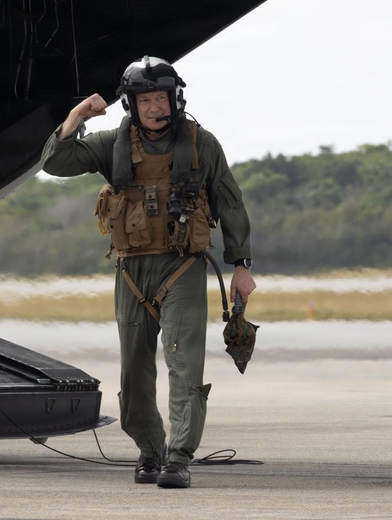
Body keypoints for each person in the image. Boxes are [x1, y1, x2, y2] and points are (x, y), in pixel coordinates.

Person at [41, 56, 256, 489]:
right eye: (145, 100)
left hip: (183, 267)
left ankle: (178, 457)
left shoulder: (202, 144)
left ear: (176, 99)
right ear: (131, 105)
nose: (155, 107)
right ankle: (149, 450)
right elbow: (56, 162)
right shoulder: (112, 145)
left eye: (162, 97)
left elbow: (229, 201)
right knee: (134, 369)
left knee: (183, 363)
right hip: (132, 272)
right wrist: (79, 114)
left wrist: (241, 266)